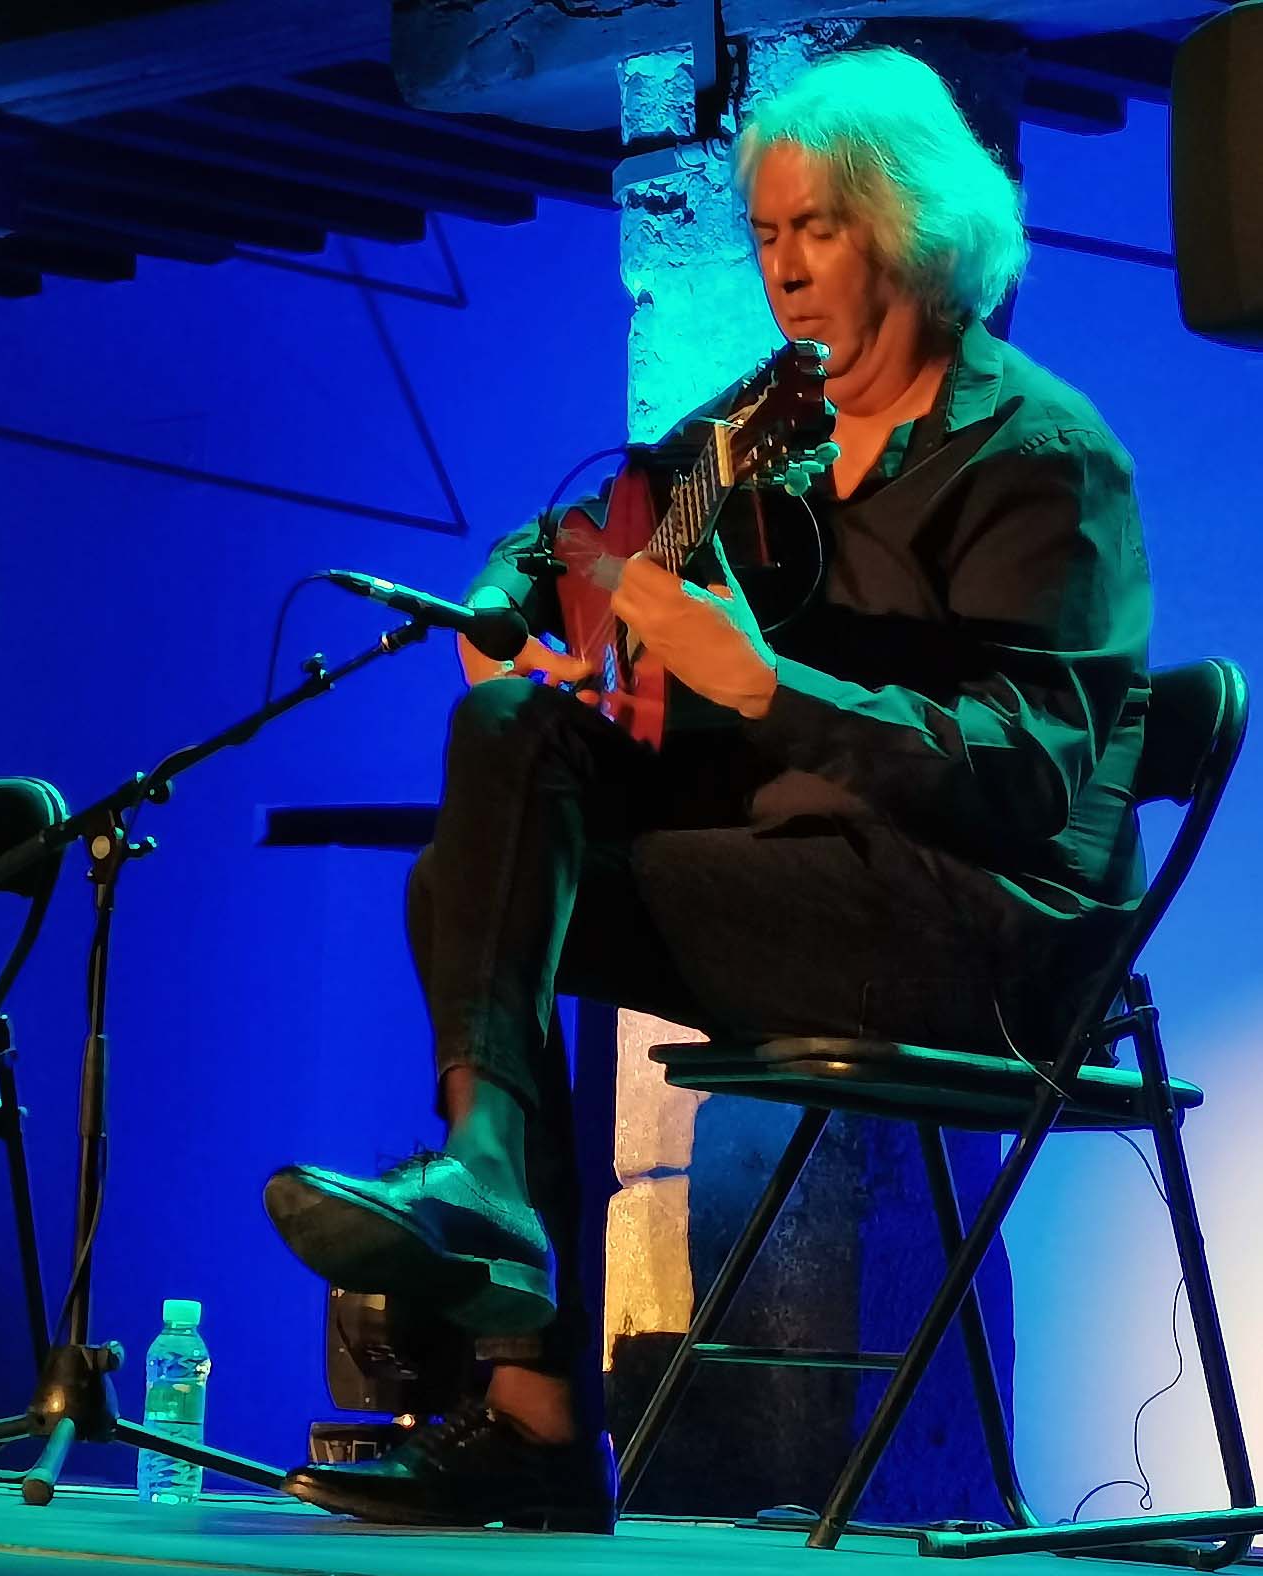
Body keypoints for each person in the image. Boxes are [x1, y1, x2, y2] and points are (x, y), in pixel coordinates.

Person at [264, 47, 1152, 1529]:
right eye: (768, 233)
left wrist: (761, 687)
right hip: (792, 876)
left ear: (918, 232)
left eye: (825, 230)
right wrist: (507, 615)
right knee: (504, 760)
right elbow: (578, 536)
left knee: (481, 898)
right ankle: (491, 1206)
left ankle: (532, 1399)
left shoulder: (1043, 458)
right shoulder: (766, 425)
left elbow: (1026, 780)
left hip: (979, 930)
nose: (788, 270)